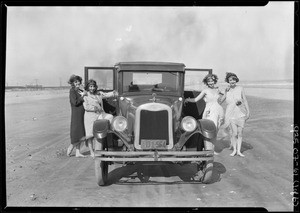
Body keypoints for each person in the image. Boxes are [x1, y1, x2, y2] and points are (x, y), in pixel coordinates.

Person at [185, 74, 224, 155]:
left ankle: (212, 149)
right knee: (209, 129)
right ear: (207, 82)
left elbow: (221, 100)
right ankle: (207, 148)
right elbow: (196, 99)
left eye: (212, 81)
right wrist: (187, 99)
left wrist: (226, 93)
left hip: (218, 110)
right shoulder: (205, 91)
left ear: (214, 81)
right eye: (209, 81)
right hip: (209, 111)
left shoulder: (218, 90)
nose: (211, 83)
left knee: (216, 129)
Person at [83, 79, 117, 158]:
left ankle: (108, 136)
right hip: (90, 117)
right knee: (90, 135)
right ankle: (92, 152)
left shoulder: (98, 94)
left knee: (110, 117)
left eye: (93, 86)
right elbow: (86, 107)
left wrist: (115, 92)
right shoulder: (85, 95)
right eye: (90, 86)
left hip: (100, 114)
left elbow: (106, 95)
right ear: (88, 87)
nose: (92, 88)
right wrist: (95, 108)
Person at [219, 72, 250, 157]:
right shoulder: (227, 90)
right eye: (230, 80)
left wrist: (248, 112)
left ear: (236, 80)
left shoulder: (240, 88)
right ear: (228, 81)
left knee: (240, 133)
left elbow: (245, 100)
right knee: (234, 133)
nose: (232, 81)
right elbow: (220, 101)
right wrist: (224, 93)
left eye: (234, 80)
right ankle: (234, 150)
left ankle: (239, 151)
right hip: (231, 114)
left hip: (240, 112)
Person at [67, 75, 87, 157]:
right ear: (72, 83)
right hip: (76, 114)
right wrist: (82, 96)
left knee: (81, 132)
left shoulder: (79, 90)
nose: (77, 83)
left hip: (82, 113)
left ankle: (78, 152)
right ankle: (71, 146)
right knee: (76, 131)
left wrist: (84, 93)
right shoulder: (72, 91)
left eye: (78, 81)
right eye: (75, 82)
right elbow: (74, 102)